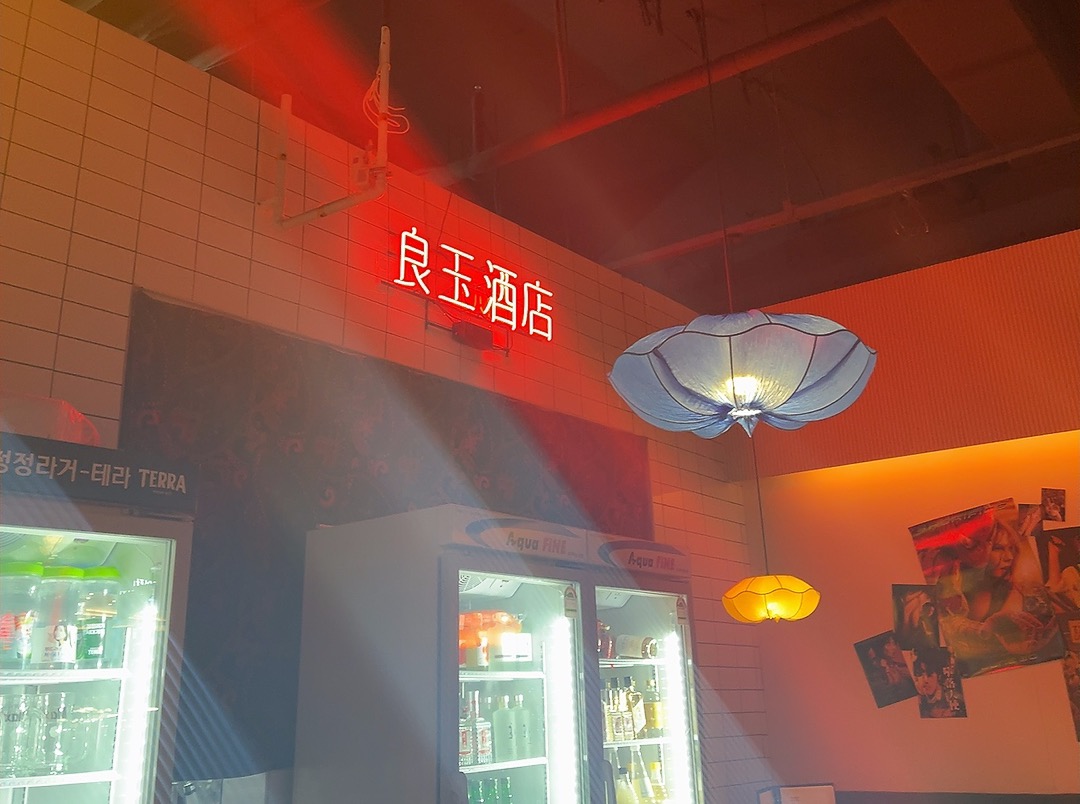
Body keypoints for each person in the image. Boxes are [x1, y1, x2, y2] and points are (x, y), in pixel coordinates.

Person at [938, 516, 1058, 668]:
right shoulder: (948, 585)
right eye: (998, 548)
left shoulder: (1012, 590)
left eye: (1011, 549)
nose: (1009, 557)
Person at [911, 648, 964, 718]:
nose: (925, 680)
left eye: (930, 674)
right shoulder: (918, 700)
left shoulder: (954, 700)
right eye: (920, 673)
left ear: (939, 676)